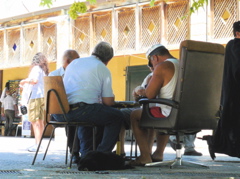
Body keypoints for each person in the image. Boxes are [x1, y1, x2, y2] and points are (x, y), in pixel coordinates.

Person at [53, 42, 124, 157]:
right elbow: (108, 102)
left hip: (60, 112)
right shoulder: (102, 68)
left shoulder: (74, 63)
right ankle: (101, 155)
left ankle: (87, 154)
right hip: (81, 111)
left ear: (93, 52)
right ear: (107, 60)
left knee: (91, 112)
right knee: (117, 116)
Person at [130, 44, 179, 165]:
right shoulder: (182, 64)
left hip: (170, 112)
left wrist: (139, 91)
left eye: (151, 63)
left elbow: (150, 94)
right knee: (158, 109)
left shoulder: (163, 66)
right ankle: (158, 153)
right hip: (187, 113)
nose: (153, 66)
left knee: (135, 115)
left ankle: (145, 156)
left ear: (155, 58)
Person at [203, 21, 240, 160]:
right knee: (233, 126)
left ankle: (214, 142)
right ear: (238, 33)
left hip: (234, 94)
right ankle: (214, 142)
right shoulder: (235, 45)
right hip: (235, 94)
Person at [49, 49, 81, 163]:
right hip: (58, 112)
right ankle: (75, 153)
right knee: (72, 117)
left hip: (75, 108)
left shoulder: (78, 76)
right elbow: (53, 101)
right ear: (67, 61)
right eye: (76, 61)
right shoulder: (54, 76)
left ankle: (90, 151)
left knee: (88, 114)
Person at [119, 66, 154, 157]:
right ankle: (120, 151)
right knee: (119, 114)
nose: (150, 68)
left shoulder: (159, 75)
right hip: (145, 108)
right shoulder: (149, 76)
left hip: (155, 110)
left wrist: (144, 92)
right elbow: (138, 97)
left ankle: (147, 152)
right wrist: (136, 93)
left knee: (141, 115)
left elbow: (150, 93)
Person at [20, 52, 49, 152]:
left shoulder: (36, 69)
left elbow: (34, 80)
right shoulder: (43, 70)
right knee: (40, 121)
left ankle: (37, 145)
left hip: (35, 97)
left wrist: (24, 81)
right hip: (41, 97)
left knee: (35, 121)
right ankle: (39, 144)